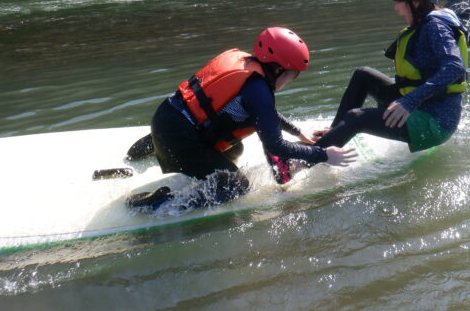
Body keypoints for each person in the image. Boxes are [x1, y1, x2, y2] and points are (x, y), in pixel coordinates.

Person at [126, 27, 356, 211]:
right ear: (277, 69)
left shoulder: (246, 65)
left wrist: (298, 132)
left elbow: (264, 114)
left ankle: (152, 145)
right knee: (236, 187)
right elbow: (275, 145)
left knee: (234, 150)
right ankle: (156, 203)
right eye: (292, 76)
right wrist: (324, 155)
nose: (289, 82)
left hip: (167, 116)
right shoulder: (258, 90)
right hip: (176, 136)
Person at [311, 0, 470, 154]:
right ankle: (334, 134)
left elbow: (454, 66)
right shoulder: (426, 22)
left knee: (356, 117)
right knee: (363, 75)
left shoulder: (435, 27)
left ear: (416, 1)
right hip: (424, 103)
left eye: (399, 1)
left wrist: (409, 101)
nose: (396, 8)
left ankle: (304, 161)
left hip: (434, 121)